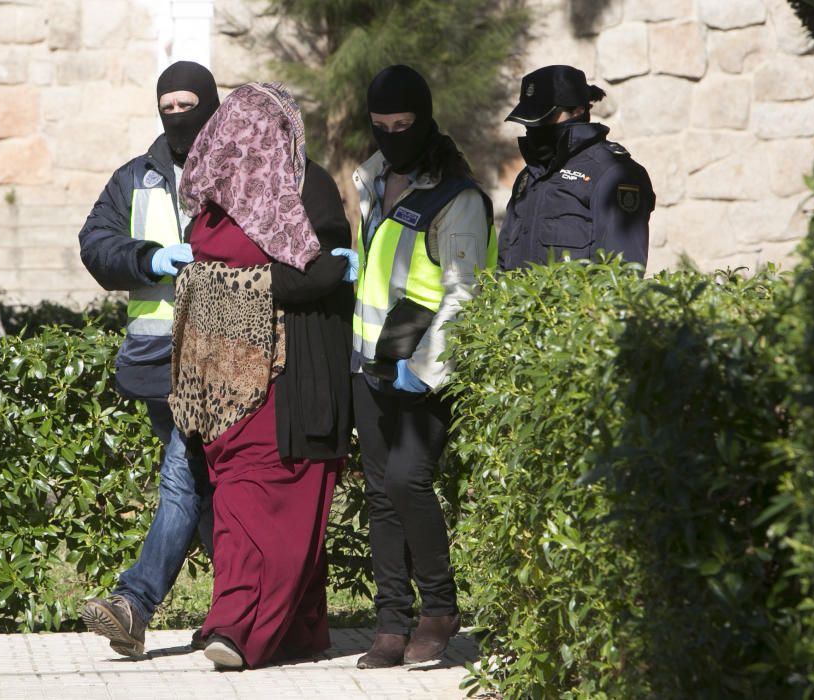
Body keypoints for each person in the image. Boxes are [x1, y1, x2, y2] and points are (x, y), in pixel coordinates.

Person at [170, 81, 354, 670]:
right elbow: (319, 274)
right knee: (250, 500)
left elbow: (321, 274)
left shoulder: (293, 188)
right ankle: (242, 625)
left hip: (281, 377)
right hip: (242, 379)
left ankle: (260, 629)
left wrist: (220, 289)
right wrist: (235, 289)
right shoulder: (238, 192)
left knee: (265, 500)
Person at [349, 64, 497, 669]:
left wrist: (430, 366)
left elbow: (465, 291)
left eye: (403, 125)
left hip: (424, 369)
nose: (391, 137)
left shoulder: (456, 197)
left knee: (409, 480)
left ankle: (438, 609)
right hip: (370, 364)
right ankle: (390, 623)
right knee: (381, 494)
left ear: (426, 120)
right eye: (380, 126)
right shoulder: (373, 177)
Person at [77, 61, 220, 656]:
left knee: (190, 479)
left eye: (190, 104)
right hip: (158, 358)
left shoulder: (242, 173)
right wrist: (150, 258)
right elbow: (96, 243)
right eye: (170, 105)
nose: (178, 115)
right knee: (198, 483)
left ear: (211, 106)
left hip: (223, 356)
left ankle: (137, 603)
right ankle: (245, 609)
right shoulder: (136, 178)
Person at [498, 64, 655, 271]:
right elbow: (503, 264)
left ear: (578, 111)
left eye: (543, 118)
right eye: (530, 120)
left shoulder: (613, 173)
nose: (534, 128)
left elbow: (621, 274)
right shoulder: (528, 177)